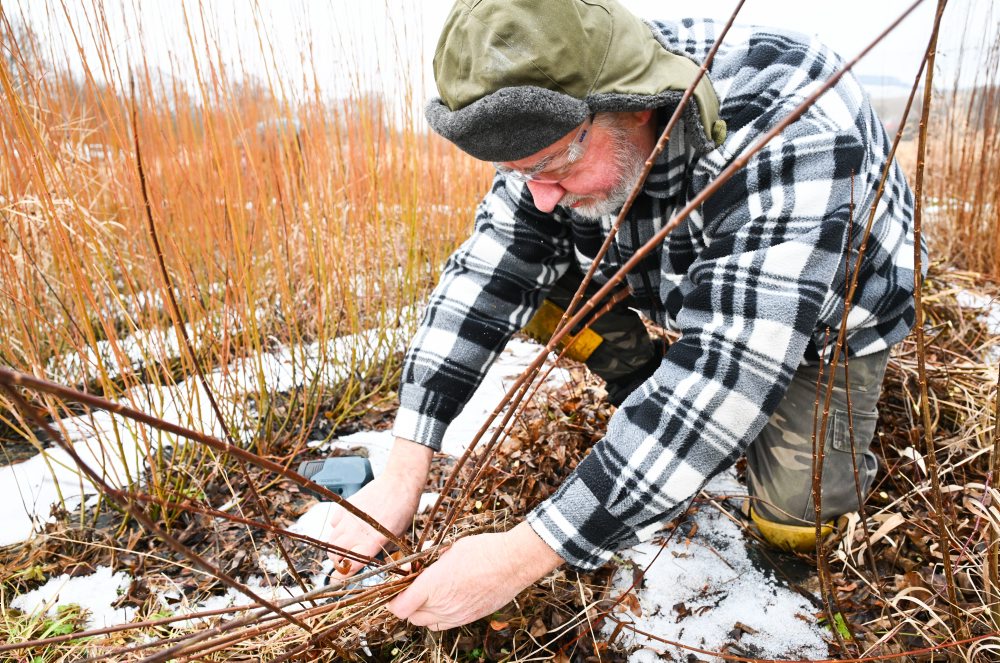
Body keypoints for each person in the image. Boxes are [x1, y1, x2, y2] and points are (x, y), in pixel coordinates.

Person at [326, 0, 922, 631]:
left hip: (827, 315)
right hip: (683, 278)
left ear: (635, 106)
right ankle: (643, 378)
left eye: (553, 166)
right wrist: (403, 470)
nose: (539, 196)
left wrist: (523, 554)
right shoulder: (556, 120)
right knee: (533, 287)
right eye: (517, 172)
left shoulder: (789, 124)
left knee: (795, 523)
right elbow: (484, 277)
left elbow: (727, 371)